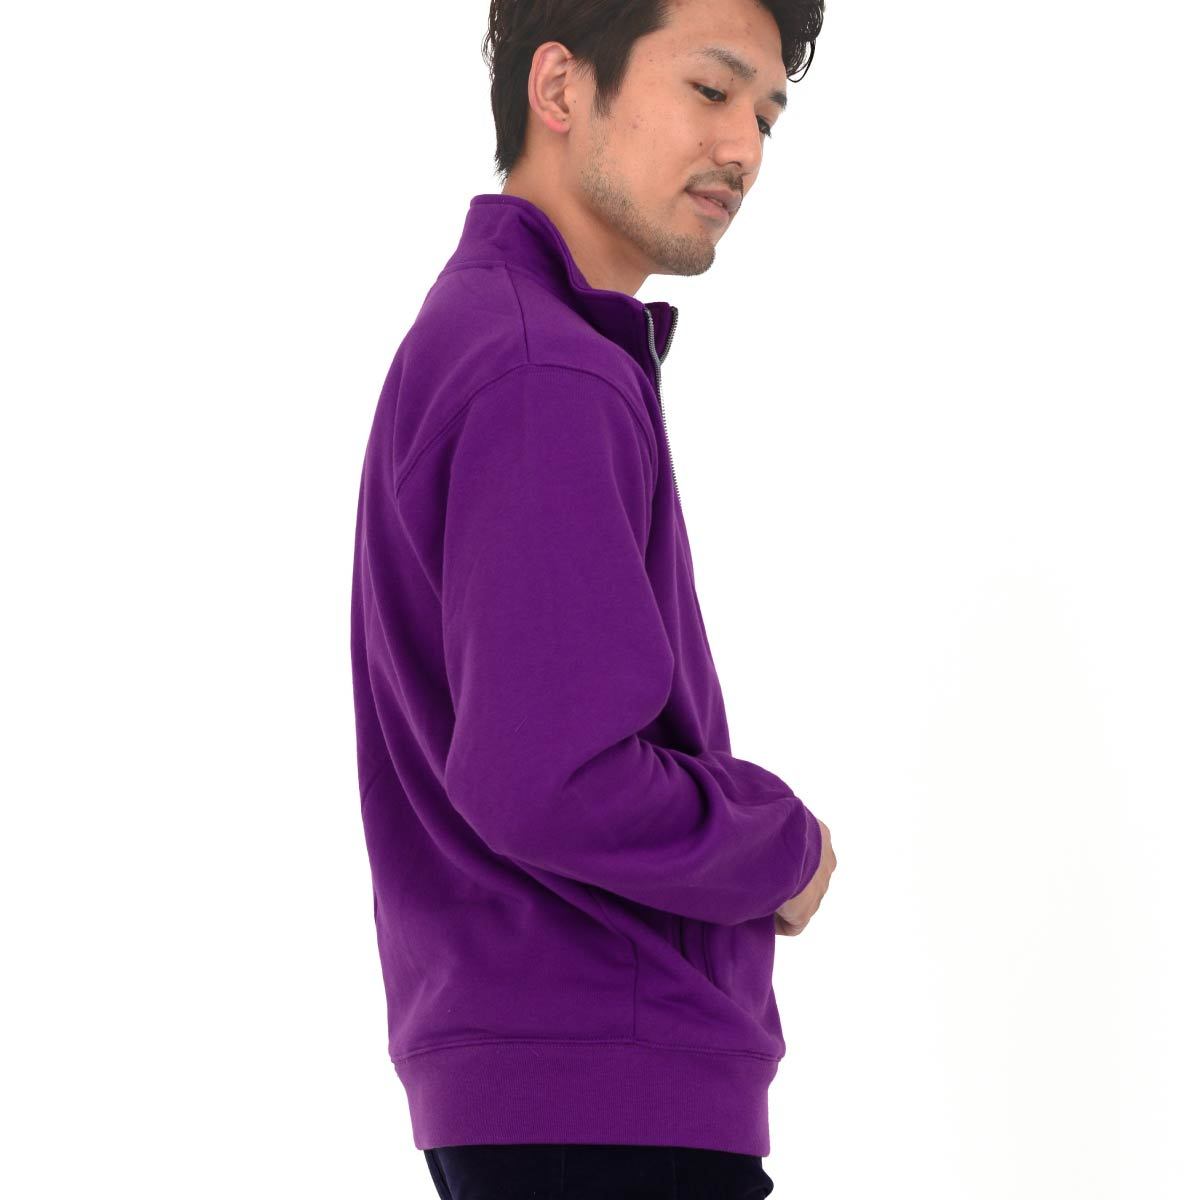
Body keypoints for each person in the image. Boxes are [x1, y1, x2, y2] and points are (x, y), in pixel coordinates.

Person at [348, 0, 836, 1194]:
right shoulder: (543, 371)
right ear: (560, 89)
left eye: (768, 116)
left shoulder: (499, 337)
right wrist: (782, 846)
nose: (744, 149)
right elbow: (550, 778)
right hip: (610, 1102)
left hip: (548, 1090)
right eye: (711, 90)